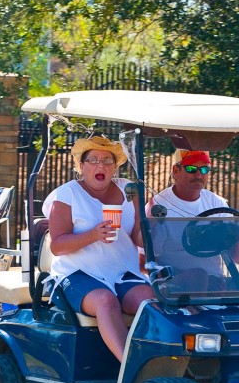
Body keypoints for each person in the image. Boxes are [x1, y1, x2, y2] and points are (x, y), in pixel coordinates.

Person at [43, 135, 155, 360]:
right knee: (105, 301)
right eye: (93, 160)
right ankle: (130, 367)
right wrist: (94, 235)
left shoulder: (129, 190)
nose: (100, 165)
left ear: (114, 167)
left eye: (107, 160)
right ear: (81, 166)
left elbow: (136, 236)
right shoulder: (67, 194)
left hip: (123, 272)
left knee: (151, 300)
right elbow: (57, 246)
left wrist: (155, 233)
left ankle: (163, 360)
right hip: (77, 273)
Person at [146, 149, 239, 291]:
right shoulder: (158, 207)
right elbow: (146, 264)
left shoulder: (217, 203)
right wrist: (197, 278)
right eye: (191, 168)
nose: (199, 174)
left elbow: (238, 257)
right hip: (178, 285)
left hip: (219, 282)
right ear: (176, 171)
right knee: (199, 277)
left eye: (204, 169)